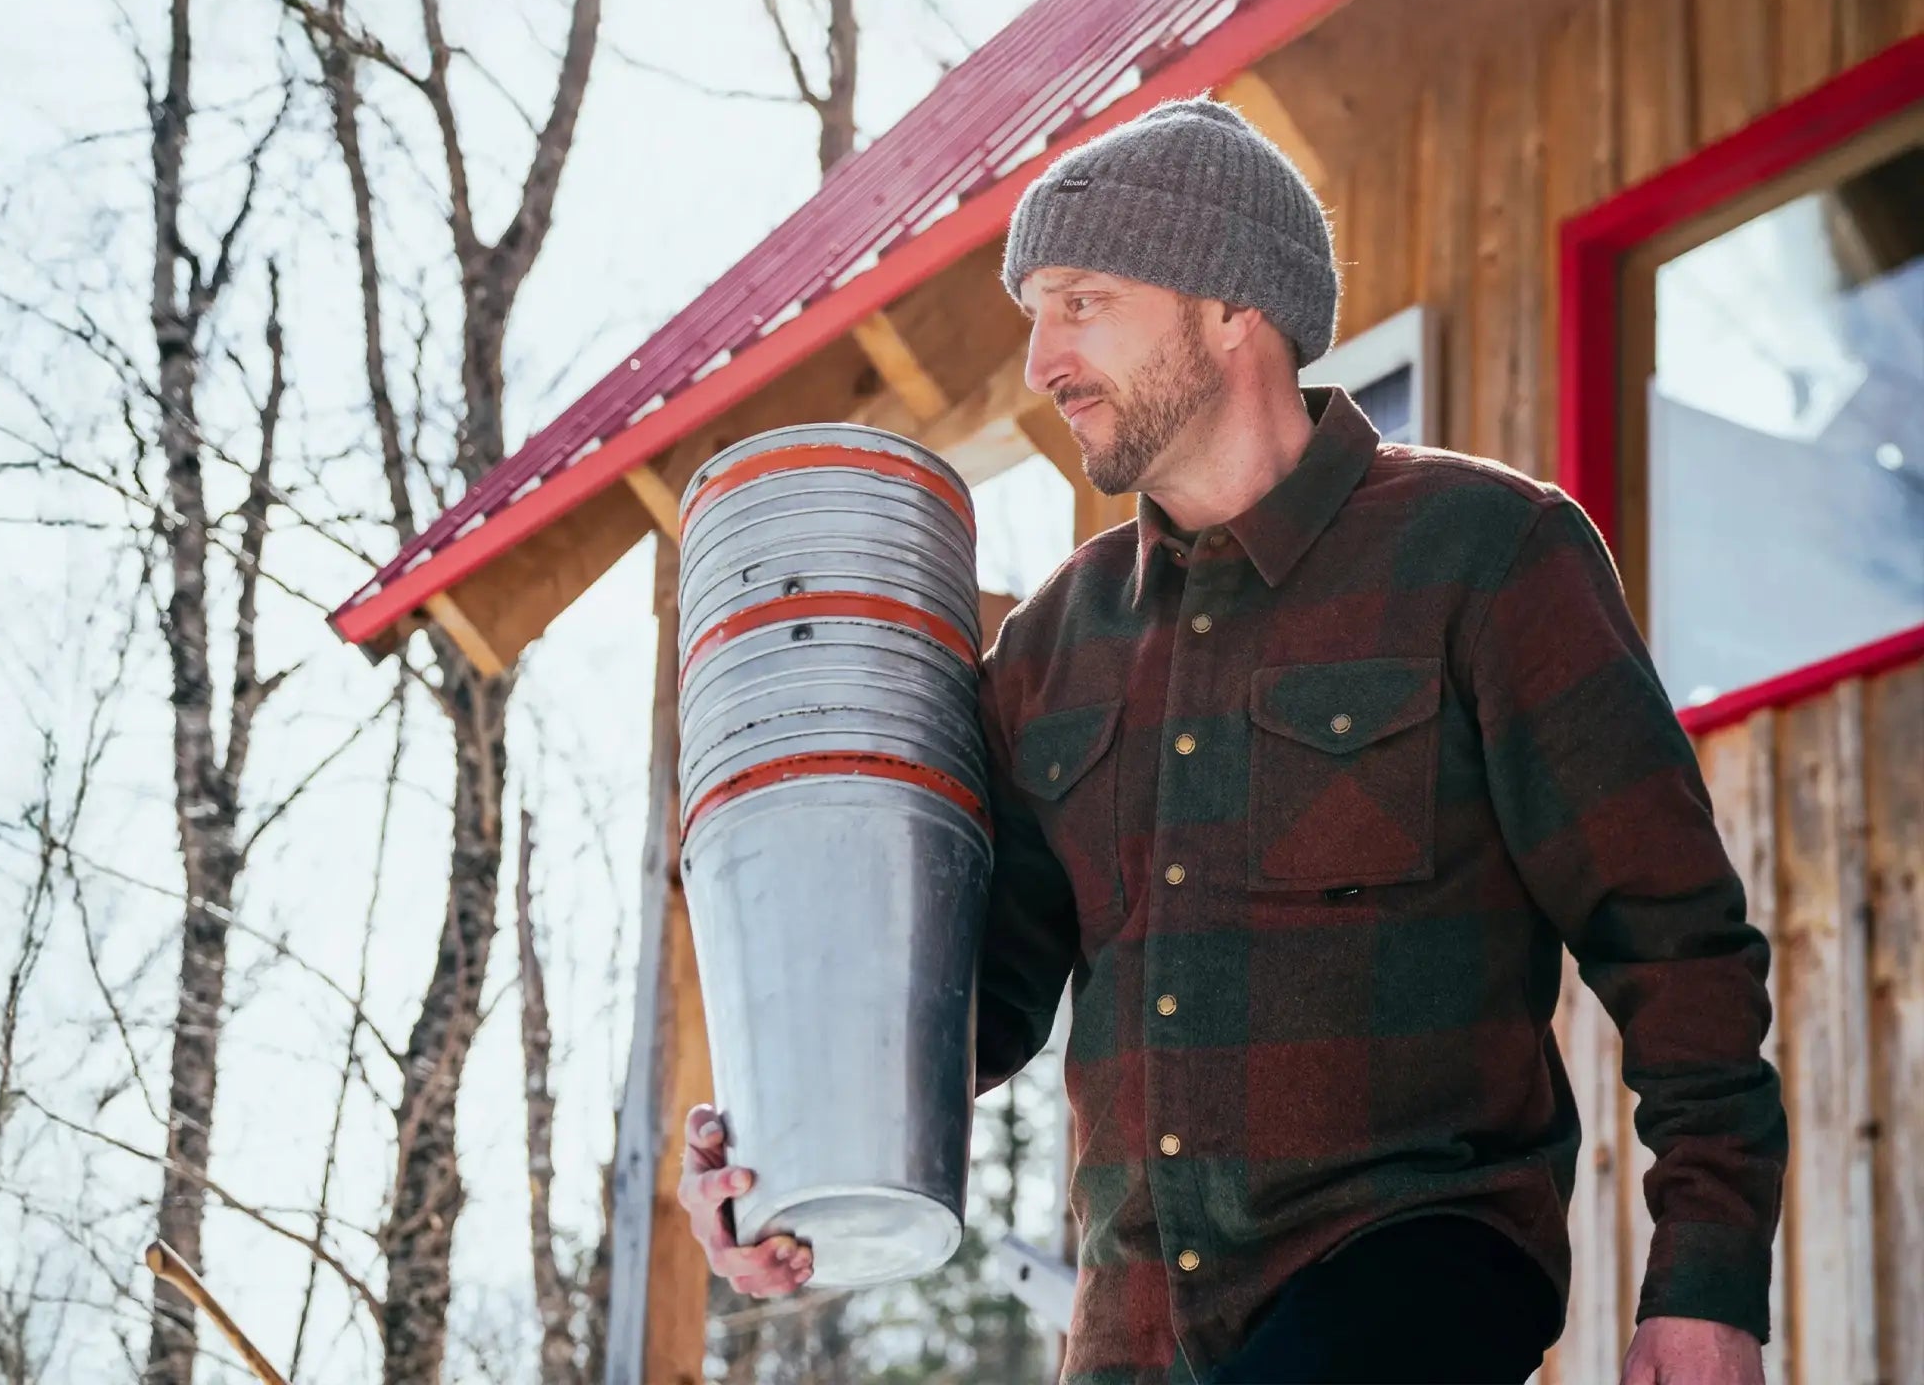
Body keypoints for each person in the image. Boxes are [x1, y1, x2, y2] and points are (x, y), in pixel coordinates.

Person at [677, 97, 1785, 1384]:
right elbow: (965, 1002)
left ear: (1227, 305)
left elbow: (1674, 940)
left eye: (1081, 302)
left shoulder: (1486, 554)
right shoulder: (1048, 648)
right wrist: (779, 1149)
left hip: (1404, 1270)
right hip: (1133, 1334)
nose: (1040, 360)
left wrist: (1705, 1282)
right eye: (1033, 312)